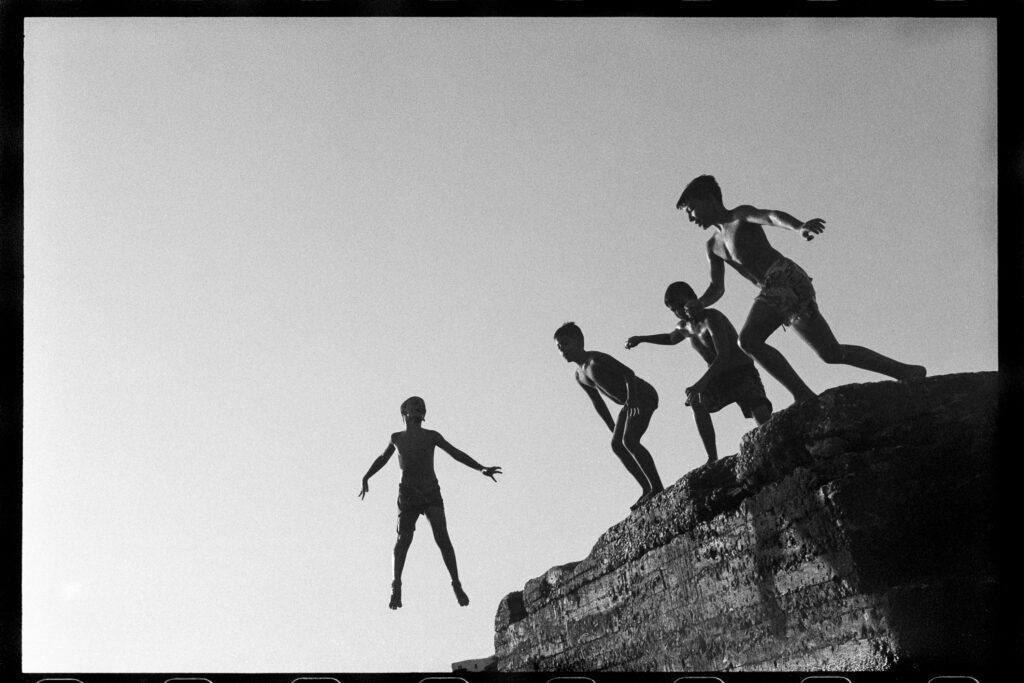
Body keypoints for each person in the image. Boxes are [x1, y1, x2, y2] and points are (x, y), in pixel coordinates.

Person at [675, 175, 926, 404]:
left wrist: (799, 226)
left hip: (783, 277)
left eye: (691, 209)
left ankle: (802, 395)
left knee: (748, 340)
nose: (690, 218)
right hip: (776, 290)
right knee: (831, 352)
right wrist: (701, 302)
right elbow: (717, 287)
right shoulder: (712, 247)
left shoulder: (739, 217)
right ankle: (907, 371)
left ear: (708, 199)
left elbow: (770, 216)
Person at [359, 396, 501, 610]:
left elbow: (455, 453)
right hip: (408, 494)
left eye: (420, 408)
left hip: (429, 491)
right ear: (405, 412)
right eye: (414, 407)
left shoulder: (431, 436)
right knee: (403, 540)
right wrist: (367, 476)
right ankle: (396, 586)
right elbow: (382, 458)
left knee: (441, 537)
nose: (418, 410)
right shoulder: (396, 437)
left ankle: (456, 584)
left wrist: (480, 468)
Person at [626, 281, 773, 464]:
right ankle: (712, 457)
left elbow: (723, 355)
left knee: (758, 410)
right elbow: (670, 339)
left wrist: (700, 383)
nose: (680, 311)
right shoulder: (684, 327)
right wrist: (641, 339)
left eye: (682, 305)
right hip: (719, 379)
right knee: (697, 400)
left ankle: (775, 440)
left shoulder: (712, 318)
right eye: (674, 310)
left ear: (694, 300)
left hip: (741, 371)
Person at [553, 322, 665, 510]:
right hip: (628, 404)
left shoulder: (595, 359)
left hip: (642, 394)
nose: (563, 350)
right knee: (617, 444)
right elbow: (598, 403)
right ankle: (646, 488)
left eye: (566, 343)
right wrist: (612, 426)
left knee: (630, 440)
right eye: (559, 347)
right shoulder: (579, 375)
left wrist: (633, 400)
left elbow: (628, 373)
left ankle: (657, 487)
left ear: (579, 341)